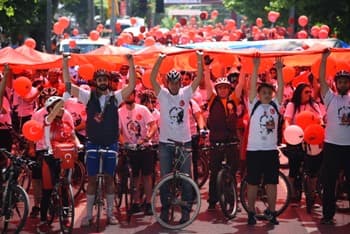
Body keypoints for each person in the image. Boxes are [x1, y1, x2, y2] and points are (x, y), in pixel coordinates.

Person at [63, 54, 136, 226]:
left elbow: (132, 85)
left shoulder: (115, 97)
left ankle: (110, 214)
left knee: (110, 179)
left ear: (108, 81)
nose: (102, 81)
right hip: (93, 142)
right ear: (95, 81)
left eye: (105, 79)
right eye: (99, 79)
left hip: (111, 142)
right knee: (93, 179)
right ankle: (88, 215)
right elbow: (68, 85)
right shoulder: (88, 97)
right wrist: (65, 62)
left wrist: (131, 63)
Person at [149, 51, 204, 224]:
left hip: (184, 141)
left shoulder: (186, 93)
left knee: (187, 176)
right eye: (171, 82)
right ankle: (165, 209)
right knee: (165, 176)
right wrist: (159, 60)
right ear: (167, 83)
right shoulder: (162, 94)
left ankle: (186, 210)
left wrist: (200, 59)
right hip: (165, 143)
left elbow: (199, 77)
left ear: (180, 83)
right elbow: (152, 79)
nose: (174, 85)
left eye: (176, 82)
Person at [246, 56, 284, 225]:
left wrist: (279, 70)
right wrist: (256, 67)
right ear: (259, 95)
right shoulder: (253, 104)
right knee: (252, 183)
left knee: (271, 183)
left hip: (270, 150)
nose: (267, 95)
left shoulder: (276, 105)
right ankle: (251, 212)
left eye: (269, 93)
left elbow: (281, 88)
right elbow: (252, 86)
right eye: (264, 93)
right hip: (254, 150)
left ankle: (272, 211)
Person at [36, 95, 79, 233]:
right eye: (56, 107)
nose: (61, 109)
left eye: (62, 107)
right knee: (47, 191)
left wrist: (79, 144)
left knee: (65, 187)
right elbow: (51, 115)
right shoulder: (47, 121)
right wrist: (61, 101)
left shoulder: (66, 123)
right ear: (49, 109)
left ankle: (66, 215)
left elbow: (73, 136)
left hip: (65, 158)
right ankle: (43, 220)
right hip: (49, 159)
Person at [318, 50, 350, 225]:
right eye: (340, 81)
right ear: (336, 84)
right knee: (329, 183)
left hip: (349, 146)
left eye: (346, 81)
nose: (343, 84)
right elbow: (322, 80)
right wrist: (324, 60)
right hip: (332, 146)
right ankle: (328, 215)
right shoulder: (330, 98)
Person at [283, 83, 324, 207]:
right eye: (306, 92)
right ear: (299, 93)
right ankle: (291, 193)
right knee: (294, 168)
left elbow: (320, 119)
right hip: (296, 139)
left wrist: (321, 127)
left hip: (312, 139)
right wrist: (289, 132)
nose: (309, 94)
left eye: (310, 92)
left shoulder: (314, 105)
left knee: (313, 169)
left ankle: (312, 194)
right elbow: (287, 120)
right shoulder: (292, 105)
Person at [118, 90, 158, 216]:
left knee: (147, 176)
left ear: (134, 95)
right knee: (134, 176)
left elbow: (153, 126)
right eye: (126, 94)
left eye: (130, 94)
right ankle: (135, 202)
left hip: (145, 147)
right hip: (130, 148)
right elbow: (118, 132)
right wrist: (124, 142)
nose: (128, 96)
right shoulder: (119, 112)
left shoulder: (143, 109)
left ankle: (148, 202)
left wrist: (147, 138)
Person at [204, 74, 240, 210]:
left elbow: (241, 84)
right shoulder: (213, 99)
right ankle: (212, 201)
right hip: (216, 141)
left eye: (225, 88)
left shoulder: (233, 100)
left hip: (231, 141)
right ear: (217, 90)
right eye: (220, 88)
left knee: (231, 172)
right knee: (214, 172)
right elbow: (207, 84)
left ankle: (233, 199)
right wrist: (206, 68)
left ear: (229, 89)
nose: (223, 90)